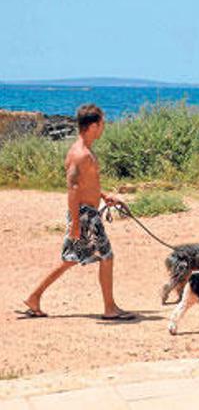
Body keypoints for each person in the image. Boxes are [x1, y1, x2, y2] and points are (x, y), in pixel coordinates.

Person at [22, 104, 134, 320]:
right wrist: (75, 223)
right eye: (102, 123)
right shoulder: (80, 154)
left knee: (71, 259)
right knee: (106, 256)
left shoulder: (86, 151)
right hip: (85, 215)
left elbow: (85, 183)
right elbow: (72, 189)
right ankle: (110, 309)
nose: (104, 127)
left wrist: (103, 196)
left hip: (87, 212)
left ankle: (34, 297)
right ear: (93, 125)